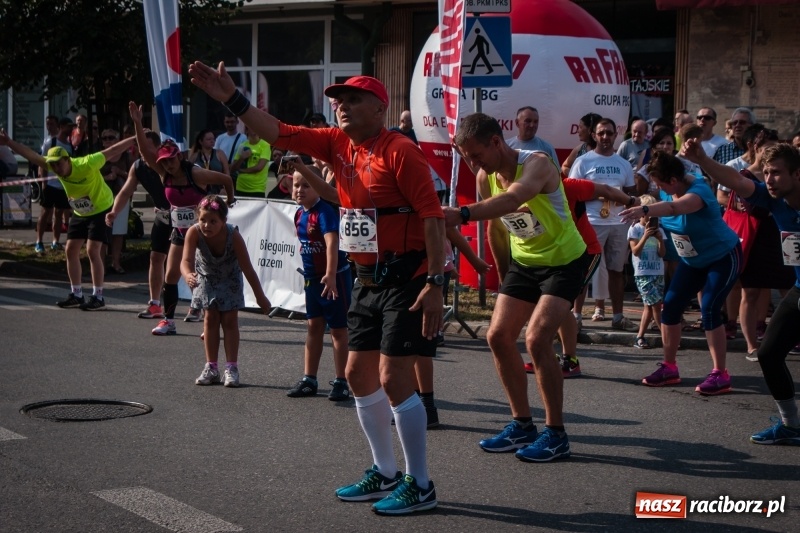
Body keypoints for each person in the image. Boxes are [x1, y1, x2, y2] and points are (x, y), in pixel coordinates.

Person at [189, 62, 445, 514]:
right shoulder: (336, 142)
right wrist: (233, 98)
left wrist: (436, 282)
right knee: (356, 375)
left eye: (353, 100)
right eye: (338, 101)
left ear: (381, 109)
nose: (341, 107)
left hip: (406, 278)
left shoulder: (401, 150)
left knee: (393, 379)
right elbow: (279, 132)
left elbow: (432, 218)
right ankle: (384, 471)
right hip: (365, 279)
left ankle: (420, 482)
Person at [443, 112, 588, 463]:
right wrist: (504, 278)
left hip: (565, 261)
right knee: (498, 335)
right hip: (525, 263)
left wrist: (460, 214)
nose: (473, 163)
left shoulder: (537, 164)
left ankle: (556, 434)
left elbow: (511, 201)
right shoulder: (484, 177)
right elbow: (497, 227)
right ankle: (522, 424)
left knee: (538, 339)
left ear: (496, 142)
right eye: (466, 157)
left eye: (476, 155)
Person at [681, 139, 800, 444]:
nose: (768, 179)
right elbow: (735, 180)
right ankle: (791, 426)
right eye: (767, 172)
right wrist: (703, 160)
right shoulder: (774, 200)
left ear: (797, 174)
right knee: (769, 354)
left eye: (776, 173)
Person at [619, 151, 742, 395]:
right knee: (671, 305)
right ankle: (669, 367)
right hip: (693, 260)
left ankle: (720, 374)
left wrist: (645, 210)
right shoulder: (667, 190)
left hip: (723, 256)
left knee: (709, 308)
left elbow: (676, 208)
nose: (658, 187)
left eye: (660, 183)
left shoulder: (700, 190)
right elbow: (662, 202)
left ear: (673, 180)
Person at [128, 101, 235, 336]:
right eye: (164, 161)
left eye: (172, 159)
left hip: (202, 230)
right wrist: (138, 123)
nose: (169, 164)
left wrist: (230, 199)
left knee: (207, 276)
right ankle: (168, 319)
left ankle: (209, 321)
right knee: (171, 275)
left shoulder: (195, 172)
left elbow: (226, 180)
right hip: (179, 230)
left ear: (179, 157)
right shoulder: (163, 173)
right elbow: (146, 152)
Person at [0, 128, 136, 310]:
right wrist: (9, 142)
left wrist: (137, 137)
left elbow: (112, 151)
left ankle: (98, 297)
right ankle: (77, 294)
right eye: (53, 165)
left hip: (101, 207)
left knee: (92, 250)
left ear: (67, 159)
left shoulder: (87, 163)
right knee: (71, 250)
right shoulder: (53, 165)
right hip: (80, 211)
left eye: (58, 165)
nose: (56, 169)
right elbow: (31, 156)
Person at [181, 195, 271, 388]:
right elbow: (186, 261)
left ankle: (231, 367)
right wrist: (188, 274)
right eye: (203, 220)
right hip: (206, 277)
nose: (207, 225)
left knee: (230, 320)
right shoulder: (194, 233)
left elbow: (248, 269)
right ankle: (211, 367)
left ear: (224, 221)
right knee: (210, 319)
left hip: (230, 278)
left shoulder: (233, 236)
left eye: (213, 221)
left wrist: (260, 297)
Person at [286, 164, 351, 401]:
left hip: (333, 279)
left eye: (307, 185)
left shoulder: (324, 212)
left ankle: (341, 381)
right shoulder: (299, 213)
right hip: (312, 280)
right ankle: (309, 379)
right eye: (297, 185)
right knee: (313, 327)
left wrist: (331, 274)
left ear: (319, 188)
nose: (300, 190)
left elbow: (332, 243)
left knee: (338, 331)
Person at [569, 118, 639, 330]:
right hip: (592, 222)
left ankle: (617, 316)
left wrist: (621, 198)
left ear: (615, 135)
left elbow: (631, 192)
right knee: (584, 269)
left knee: (616, 270)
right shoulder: (584, 161)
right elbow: (572, 191)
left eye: (609, 133)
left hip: (618, 222)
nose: (606, 137)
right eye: (601, 133)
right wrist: (596, 196)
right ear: (594, 135)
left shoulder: (623, 163)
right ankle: (576, 316)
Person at [106, 131, 173, 319]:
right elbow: (126, 191)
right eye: (140, 146)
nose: (142, 151)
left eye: (146, 146)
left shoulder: (167, 163)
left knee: (182, 262)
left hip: (182, 216)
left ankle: (196, 305)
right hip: (162, 214)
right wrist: (114, 211)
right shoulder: (138, 166)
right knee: (155, 258)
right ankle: (155, 304)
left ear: (158, 148)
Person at [627, 194, 666, 349]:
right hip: (643, 273)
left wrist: (659, 239)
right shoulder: (635, 229)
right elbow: (635, 251)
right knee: (656, 305)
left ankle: (639, 336)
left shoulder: (659, 230)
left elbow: (662, 253)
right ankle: (666, 337)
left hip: (658, 272)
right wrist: (645, 236)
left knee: (649, 307)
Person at [35, 117, 73, 253]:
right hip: (50, 184)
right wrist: (44, 183)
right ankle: (39, 241)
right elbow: (43, 163)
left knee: (59, 213)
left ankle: (55, 241)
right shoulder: (51, 142)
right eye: (69, 126)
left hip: (63, 186)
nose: (71, 129)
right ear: (62, 126)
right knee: (46, 212)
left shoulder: (70, 146)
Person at [99, 129, 132, 275]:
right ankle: (100, 265)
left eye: (111, 137)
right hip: (101, 199)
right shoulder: (98, 157)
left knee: (118, 232)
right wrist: (106, 178)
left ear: (117, 140)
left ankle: (116, 263)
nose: (107, 140)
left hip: (121, 197)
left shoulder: (126, 156)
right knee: (101, 233)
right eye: (104, 138)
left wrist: (119, 172)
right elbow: (91, 177)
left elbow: (133, 176)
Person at [230, 126, 270, 198]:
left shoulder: (265, 145)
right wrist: (242, 158)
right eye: (252, 128)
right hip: (240, 187)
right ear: (247, 131)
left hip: (257, 188)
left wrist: (242, 170)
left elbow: (259, 167)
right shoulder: (242, 145)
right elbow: (233, 168)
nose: (254, 130)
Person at [561, 112, 602, 176]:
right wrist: (575, 176)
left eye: (580, 127)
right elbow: (565, 166)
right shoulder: (579, 150)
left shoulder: (606, 151)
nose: (578, 131)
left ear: (589, 129)